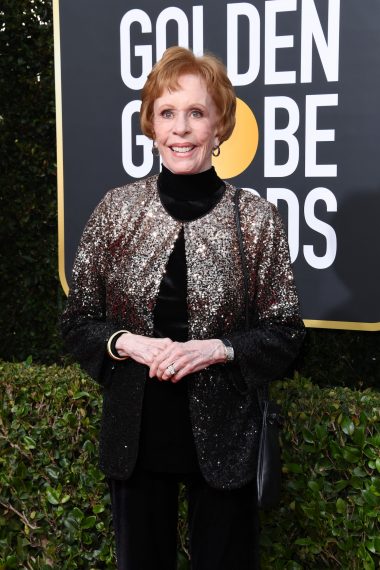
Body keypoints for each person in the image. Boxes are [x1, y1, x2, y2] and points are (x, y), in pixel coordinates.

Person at [61, 46, 305, 570]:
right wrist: (127, 342)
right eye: (167, 113)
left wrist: (216, 350)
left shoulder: (256, 220)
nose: (181, 128)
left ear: (220, 126)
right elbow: (77, 321)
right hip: (136, 438)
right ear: (150, 124)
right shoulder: (115, 210)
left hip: (226, 441)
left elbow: (285, 333)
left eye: (197, 113)